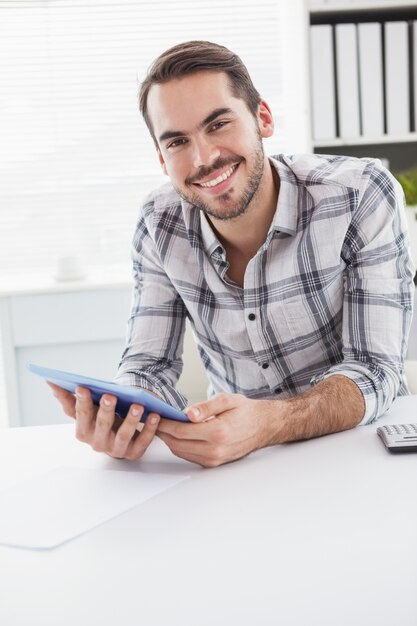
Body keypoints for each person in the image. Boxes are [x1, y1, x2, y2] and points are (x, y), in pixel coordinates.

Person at [50, 40, 415, 467]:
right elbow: (148, 366)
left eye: (218, 124)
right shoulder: (159, 221)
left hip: (357, 449)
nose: (203, 158)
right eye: (177, 142)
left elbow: (376, 369)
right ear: (161, 157)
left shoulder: (361, 193)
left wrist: (268, 424)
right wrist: (126, 415)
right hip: (235, 465)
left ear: (262, 118)